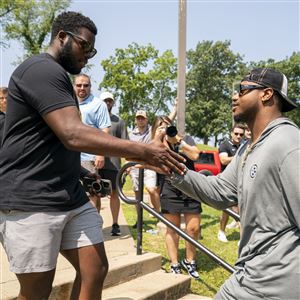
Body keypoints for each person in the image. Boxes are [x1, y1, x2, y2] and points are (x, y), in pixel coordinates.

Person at [0, 11, 184, 300]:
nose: (88, 55)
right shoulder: (40, 70)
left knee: (94, 269)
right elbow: (72, 133)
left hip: (69, 195)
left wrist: (82, 173)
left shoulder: (58, 78)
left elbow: (51, 141)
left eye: (92, 50)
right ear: (61, 37)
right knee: (35, 292)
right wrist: (144, 150)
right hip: (31, 199)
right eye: (84, 46)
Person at [170, 68, 299, 300]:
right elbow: (220, 192)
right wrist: (170, 166)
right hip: (247, 276)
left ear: (267, 94)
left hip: (276, 284)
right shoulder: (247, 148)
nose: (234, 96)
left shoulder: (289, 143)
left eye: (242, 89)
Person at [152, 116, 201, 279]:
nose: (165, 129)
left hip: (190, 187)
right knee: (172, 229)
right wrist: (159, 139)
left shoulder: (184, 139)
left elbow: (195, 156)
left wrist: (178, 140)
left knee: (193, 228)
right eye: (161, 127)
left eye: (167, 126)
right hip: (170, 189)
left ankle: (190, 261)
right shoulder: (158, 144)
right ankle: (174, 264)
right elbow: (157, 165)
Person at [74, 74, 111, 211]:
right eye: (79, 85)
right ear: (74, 86)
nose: (82, 88)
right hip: (70, 157)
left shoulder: (98, 104)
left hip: (88, 158)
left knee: (91, 195)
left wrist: (100, 154)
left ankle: (94, 228)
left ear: (90, 87)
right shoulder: (69, 103)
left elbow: (104, 130)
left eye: (86, 85)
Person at [100, 91, 129, 236]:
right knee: (95, 194)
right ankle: (95, 224)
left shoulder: (119, 122)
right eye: (105, 100)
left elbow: (125, 144)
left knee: (114, 194)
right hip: (95, 164)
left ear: (113, 103)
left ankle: (115, 223)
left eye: (110, 101)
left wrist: (128, 163)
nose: (107, 103)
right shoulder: (92, 117)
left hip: (114, 164)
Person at [129, 110, 161, 225]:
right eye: (138, 118)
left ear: (147, 119)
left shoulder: (151, 131)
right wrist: (128, 167)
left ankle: (160, 216)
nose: (140, 120)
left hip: (149, 165)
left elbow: (166, 121)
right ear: (135, 120)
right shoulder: (131, 134)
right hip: (135, 166)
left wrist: (176, 108)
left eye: (142, 118)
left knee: (151, 189)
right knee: (137, 194)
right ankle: (140, 220)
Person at [217, 124, 245, 242]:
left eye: (241, 134)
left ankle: (242, 238)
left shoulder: (244, 146)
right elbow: (223, 160)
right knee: (226, 209)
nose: (238, 136)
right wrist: (239, 157)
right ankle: (221, 231)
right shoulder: (225, 145)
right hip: (227, 182)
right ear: (231, 134)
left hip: (241, 181)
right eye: (236, 134)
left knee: (243, 209)